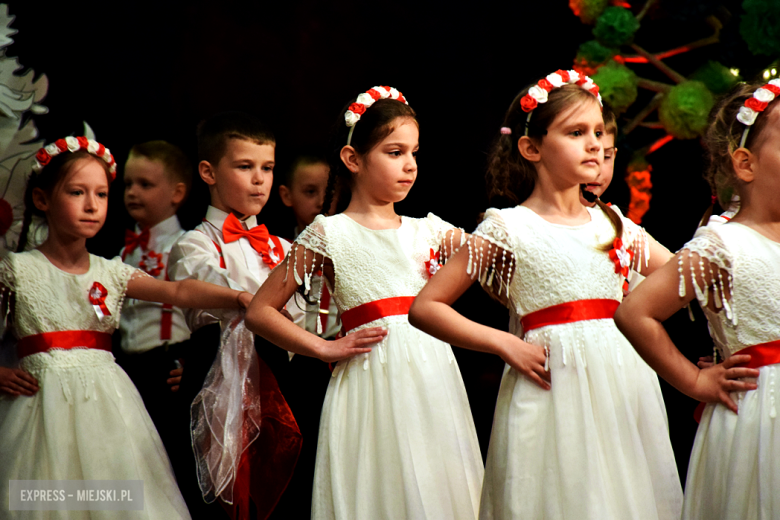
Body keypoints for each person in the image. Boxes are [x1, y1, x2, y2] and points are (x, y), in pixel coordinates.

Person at [409, 70, 682, 519]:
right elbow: (426, 307)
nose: (594, 143)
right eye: (576, 133)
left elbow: (681, 279)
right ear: (532, 148)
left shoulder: (613, 224)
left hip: (622, 386)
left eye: (597, 132)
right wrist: (503, 342)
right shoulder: (508, 228)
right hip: (552, 387)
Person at [246, 85, 484, 519]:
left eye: (414, 152)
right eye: (394, 152)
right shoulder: (329, 233)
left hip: (433, 377)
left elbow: (495, 257)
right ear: (353, 159)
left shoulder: (429, 231)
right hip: (370, 381)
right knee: (381, 490)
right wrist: (322, 347)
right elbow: (259, 311)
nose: (410, 165)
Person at [0, 136, 252, 519]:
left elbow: (179, 290)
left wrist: (237, 297)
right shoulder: (17, 270)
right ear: (41, 200)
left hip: (107, 406)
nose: (92, 205)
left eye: (101, 194)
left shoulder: (110, 271)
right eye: (76, 192)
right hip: (39, 406)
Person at [614, 80, 780, 520]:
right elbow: (636, 312)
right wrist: (694, 381)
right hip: (763, 417)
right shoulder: (723, 245)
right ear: (745, 163)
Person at [167, 112, 303, 519]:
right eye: (245, 167)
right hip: (216, 370)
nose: (259, 179)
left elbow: (300, 312)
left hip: (279, 370)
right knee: (220, 487)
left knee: (280, 484)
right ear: (208, 172)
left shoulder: (283, 248)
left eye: (267, 168)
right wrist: (255, 297)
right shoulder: (194, 244)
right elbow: (212, 292)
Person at [115, 139, 198, 509]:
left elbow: (206, 317)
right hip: (127, 368)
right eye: (128, 184)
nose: (132, 192)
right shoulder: (122, 252)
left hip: (169, 367)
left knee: (171, 463)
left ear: (177, 192)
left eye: (145, 185)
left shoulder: (187, 246)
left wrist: (194, 364)